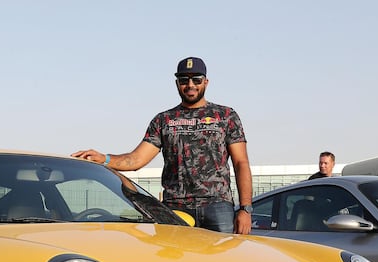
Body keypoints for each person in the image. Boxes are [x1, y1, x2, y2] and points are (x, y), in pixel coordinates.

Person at [72, 56, 253, 234]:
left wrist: (245, 209)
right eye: (184, 80)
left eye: (196, 80)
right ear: (177, 83)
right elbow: (137, 159)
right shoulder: (164, 120)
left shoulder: (226, 116)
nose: (190, 85)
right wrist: (105, 159)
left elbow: (240, 163)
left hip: (217, 206)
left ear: (206, 82)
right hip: (175, 209)